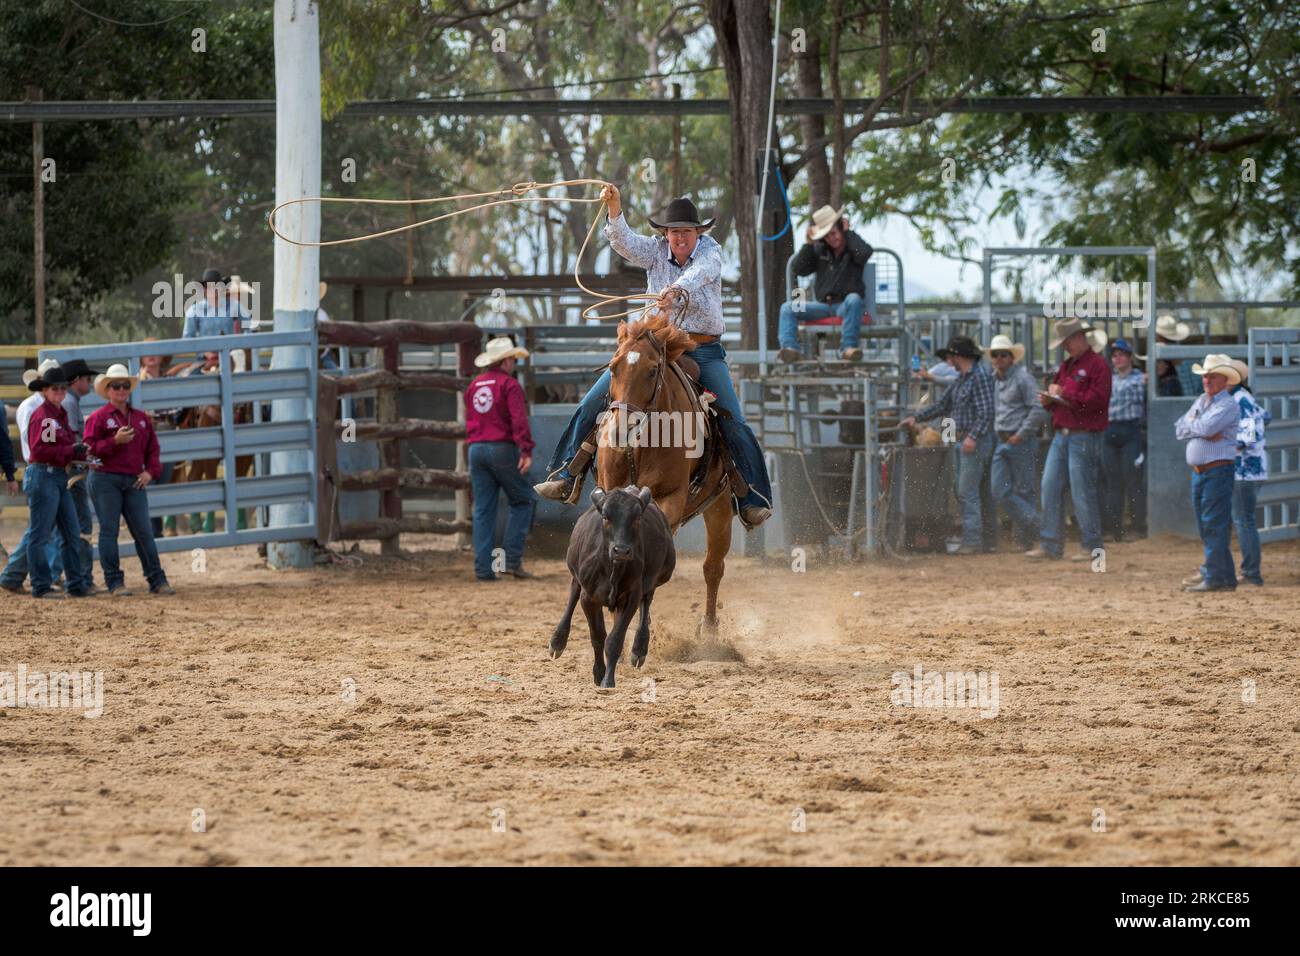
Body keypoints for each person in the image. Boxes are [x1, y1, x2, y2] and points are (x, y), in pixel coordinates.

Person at [533, 186, 773, 528]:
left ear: (698, 233)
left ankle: (751, 496)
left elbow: (701, 272)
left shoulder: (711, 253)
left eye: (686, 231)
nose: (680, 237)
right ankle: (568, 472)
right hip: (654, 345)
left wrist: (677, 289)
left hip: (701, 349)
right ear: (665, 233)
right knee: (594, 401)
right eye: (674, 231)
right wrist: (614, 208)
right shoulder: (655, 251)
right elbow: (624, 243)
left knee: (733, 418)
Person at [1026, 318, 1112, 563]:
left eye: (1067, 341)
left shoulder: (1098, 366)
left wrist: (1064, 394)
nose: (1064, 346)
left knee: (1082, 490)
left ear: (1080, 338)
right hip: (1064, 433)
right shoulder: (1068, 366)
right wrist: (1050, 400)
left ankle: (1092, 546)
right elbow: (1075, 399)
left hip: (1084, 434)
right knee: (1050, 486)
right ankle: (1051, 544)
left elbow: (1098, 400)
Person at [900, 336, 996, 554]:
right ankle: (986, 540)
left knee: (967, 491)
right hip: (966, 439)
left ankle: (973, 541)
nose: (948, 360)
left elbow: (986, 412)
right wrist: (917, 417)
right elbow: (944, 405)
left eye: (951, 356)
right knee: (976, 491)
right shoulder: (963, 379)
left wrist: (972, 437)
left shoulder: (978, 377)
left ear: (958, 356)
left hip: (973, 440)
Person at [83, 364, 174, 596]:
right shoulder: (98, 418)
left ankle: (156, 579)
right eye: (116, 386)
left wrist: (150, 473)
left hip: (133, 480)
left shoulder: (142, 419)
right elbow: (89, 450)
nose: (121, 390)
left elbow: (153, 450)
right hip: (105, 479)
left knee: (143, 531)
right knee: (109, 531)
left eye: (125, 385)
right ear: (108, 389)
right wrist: (115, 441)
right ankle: (115, 582)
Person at [466, 337, 538, 582]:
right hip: (502, 449)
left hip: (476, 449)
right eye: (512, 359)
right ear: (506, 360)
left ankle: (483, 569)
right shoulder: (509, 385)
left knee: (483, 510)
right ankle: (511, 561)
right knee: (523, 500)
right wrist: (526, 450)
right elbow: (519, 420)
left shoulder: (474, 385)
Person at [1174, 355, 1241, 592]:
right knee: (1209, 526)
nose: (1207, 380)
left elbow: (1202, 427)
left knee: (1213, 524)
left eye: (1212, 376)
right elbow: (1179, 428)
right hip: (1203, 471)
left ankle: (1214, 576)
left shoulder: (1227, 404)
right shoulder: (1204, 401)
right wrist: (1200, 429)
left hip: (1217, 470)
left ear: (1224, 379)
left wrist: (1198, 427)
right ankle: (1223, 576)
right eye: (1205, 375)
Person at [23, 365, 90, 599]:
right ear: (45, 391)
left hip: (54, 476)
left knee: (69, 533)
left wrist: (80, 453)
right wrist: (72, 450)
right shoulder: (46, 417)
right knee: (41, 535)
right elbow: (41, 450)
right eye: (55, 389)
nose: (60, 392)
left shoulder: (56, 415)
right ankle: (41, 586)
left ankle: (75, 584)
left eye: (62, 388)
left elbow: (51, 449)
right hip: (45, 475)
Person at [777, 205, 874, 363]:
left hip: (846, 306)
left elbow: (865, 253)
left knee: (854, 299)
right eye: (827, 236)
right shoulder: (819, 250)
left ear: (842, 229)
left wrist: (849, 232)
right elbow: (799, 268)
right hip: (822, 306)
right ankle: (790, 349)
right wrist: (809, 244)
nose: (832, 238)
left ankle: (848, 348)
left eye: (834, 233)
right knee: (788, 308)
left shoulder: (853, 248)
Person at [986, 334, 1048, 550]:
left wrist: (1021, 434)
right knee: (1000, 491)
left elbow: (1038, 408)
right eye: (996, 355)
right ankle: (1040, 526)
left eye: (1004, 355)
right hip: (1004, 438)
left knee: (1022, 490)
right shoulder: (996, 379)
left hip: (1018, 439)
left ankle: (1026, 540)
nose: (999, 358)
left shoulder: (1023, 378)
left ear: (1012, 358)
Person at [50, 358, 99, 594]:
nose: (90, 382)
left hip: (69, 471)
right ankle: (82, 578)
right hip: (73, 473)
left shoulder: (68, 402)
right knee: (80, 526)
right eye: (87, 379)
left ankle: (67, 575)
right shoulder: (70, 404)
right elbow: (71, 442)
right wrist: (85, 460)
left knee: (64, 526)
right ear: (76, 381)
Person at [1101, 339, 1146, 542]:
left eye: (1121, 355)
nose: (1117, 358)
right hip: (1110, 430)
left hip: (1130, 429)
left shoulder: (1140, 378)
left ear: (1129, 357)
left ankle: (1137, 527)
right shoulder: (1110, 379)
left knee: (1132, 480)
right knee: (1113, 482)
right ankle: (1115, 528)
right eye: (1115, 355)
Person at [183, 267, 245, 338]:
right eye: (208, 285)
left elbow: (249, 326)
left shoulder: (234, 305)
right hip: (205, 348)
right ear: (204, 289)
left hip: (230, 348)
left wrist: (244, 345)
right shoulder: (194, 310)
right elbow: (187, 338)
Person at [1155, 314, 1201, 397]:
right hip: (1194, 402)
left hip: (1172, 401)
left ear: (1159, 336)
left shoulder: (1159, 354)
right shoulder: (1192, 355)